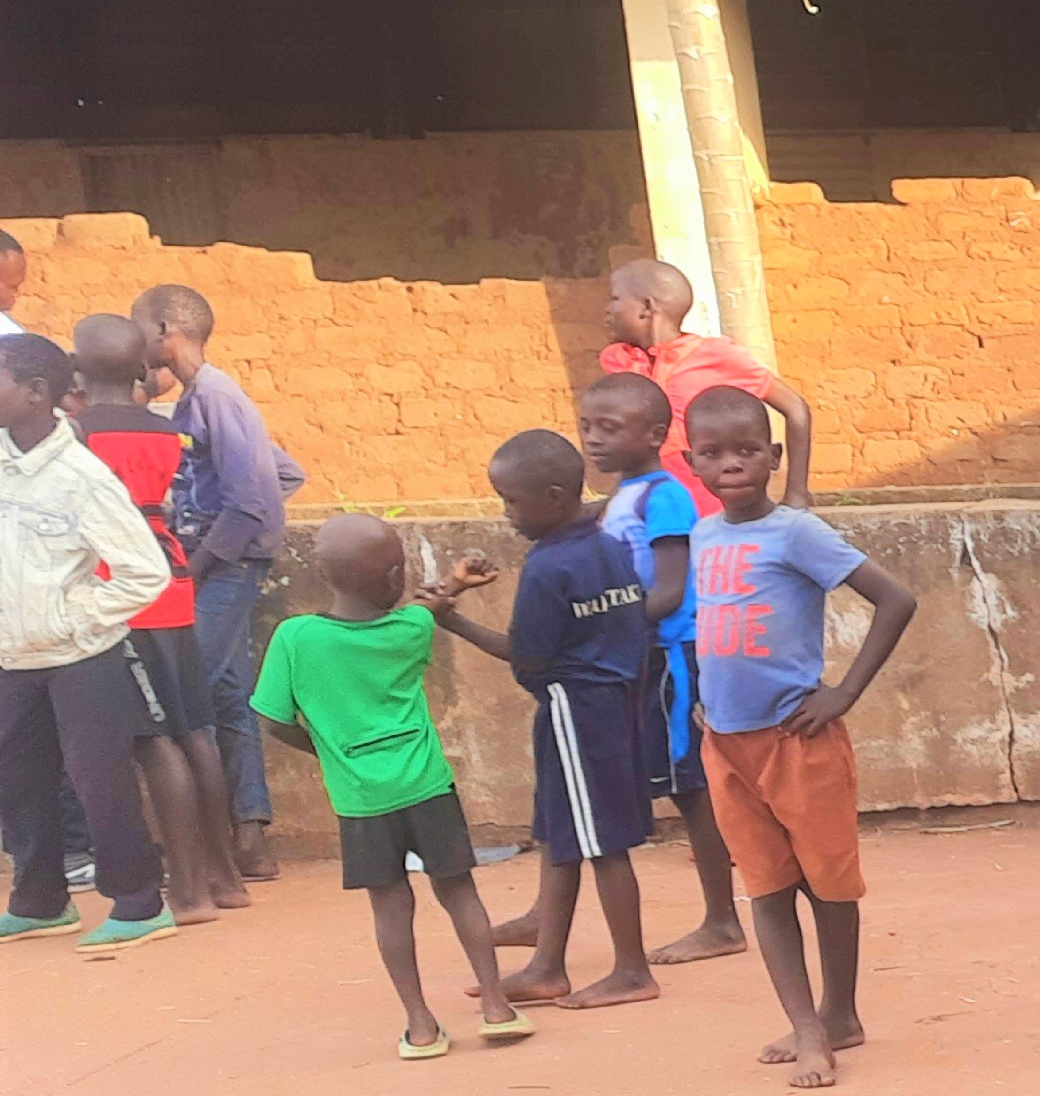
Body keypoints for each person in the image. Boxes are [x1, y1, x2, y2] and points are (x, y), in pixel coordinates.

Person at [678, 383, 919, 1089]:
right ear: (693, 462)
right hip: (727, 744)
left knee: (829, 885)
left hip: (798, 740)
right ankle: (807, 1025)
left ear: (774, 456)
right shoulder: (704, 534)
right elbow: (716, 628)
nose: (732, 465)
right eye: (715, 454)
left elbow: (895, 599)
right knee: (766, 887)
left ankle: (838, 1012)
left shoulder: (796, 532)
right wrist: (705, 699)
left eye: (747, 450)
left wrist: (844, 691)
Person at [253, 515, 533, 1054]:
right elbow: (426, 609)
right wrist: (454, 583)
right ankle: (496, 1006)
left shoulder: (295, 638)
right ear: (393, 576)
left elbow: (271, 719)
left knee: (390, 907)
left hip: (361, 799)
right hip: (427, 784)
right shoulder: (412, 630)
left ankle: (421, 1025)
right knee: (459, 891)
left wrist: (326, 750)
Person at [422, 429, 658, 1009]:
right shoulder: (607, 547)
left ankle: (632, 969)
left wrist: (448, 619)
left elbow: (524, 656)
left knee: (602, 843)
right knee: (561, 835)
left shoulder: (549, 568)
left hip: (574, 711)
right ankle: (547, 964)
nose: (506, 514)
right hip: (614, 701)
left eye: (512, 500)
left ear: (553, 497)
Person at [0, 329, 178, 956]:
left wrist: (79, 618)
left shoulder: (81, 475)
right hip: (13, 657)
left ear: (37, 393)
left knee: (98, 780)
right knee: (17, 782)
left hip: (81, 656)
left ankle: (137, 902)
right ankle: (40, 900)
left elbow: (144, 571)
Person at [69, 315, 248, 921]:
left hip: (117, 588)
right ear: (141, 367)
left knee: (153, 738)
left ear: (79, 370)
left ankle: (189, 893)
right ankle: (225, 879)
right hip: (169, 578)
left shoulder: (74, 435)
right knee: (194, 727)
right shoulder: (167, 429)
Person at [576, 369, 751, 966]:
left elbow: (669, 591)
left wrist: (602, 620)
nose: (593, 439)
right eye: (586, 427)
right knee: (678, 787)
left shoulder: (665, 495)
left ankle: (723, 920)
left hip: (672, 657)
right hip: (641, 655)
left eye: (609, 428)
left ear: (653, 434)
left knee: (691, 787)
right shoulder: (620, 498)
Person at [133, 282, 303, 879]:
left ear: (164, 332)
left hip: (221, 567)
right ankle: (251, 837)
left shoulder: (217, 396)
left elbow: (255, 495)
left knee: (185, 691)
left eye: (140, 329)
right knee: (229, 693)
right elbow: (284, 472)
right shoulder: (196, 398)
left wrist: (203, 559)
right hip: (225, 561)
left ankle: (201, 850)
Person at [600, 257, 814, 506]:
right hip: (648, 505)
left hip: (709, 508)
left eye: (615, 299)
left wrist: (797, 493)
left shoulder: (716, 356)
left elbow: (795, 408)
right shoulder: (622, 362)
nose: (607, 309)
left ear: (646, 307)